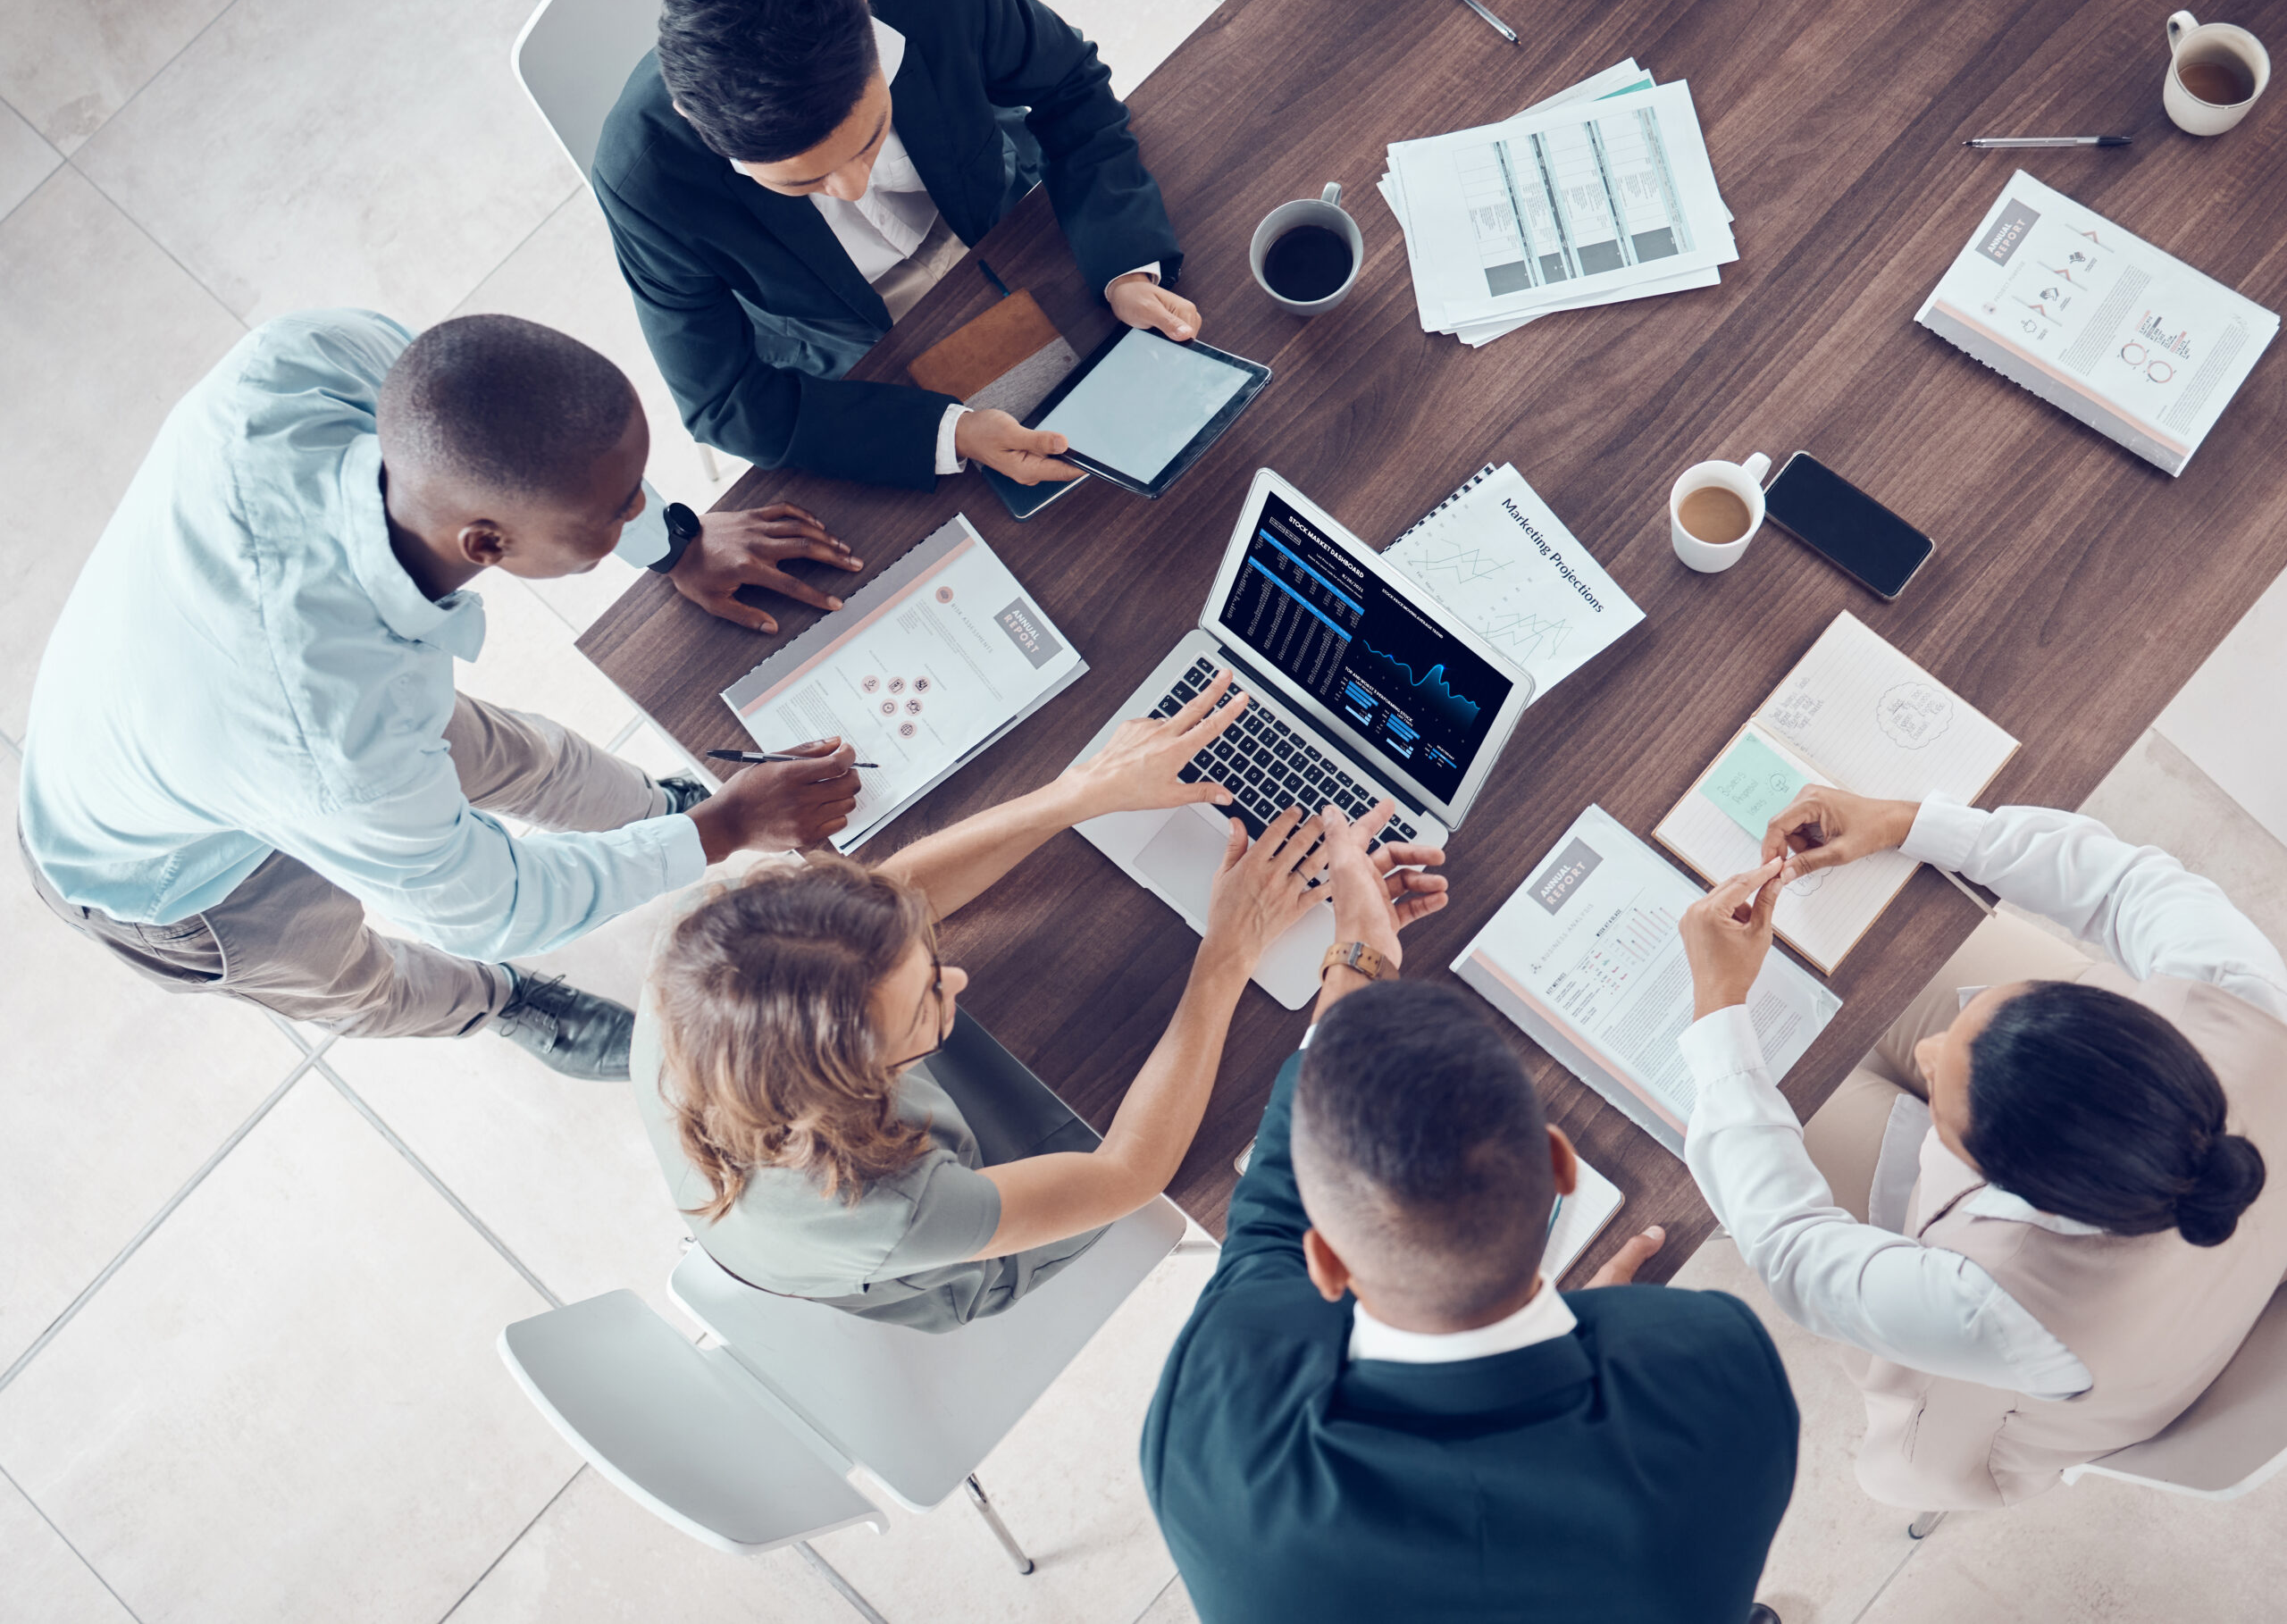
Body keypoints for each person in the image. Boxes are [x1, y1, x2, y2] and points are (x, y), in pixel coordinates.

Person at [18, 308, 868, 1078]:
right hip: (167, 872)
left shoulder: (309, 357)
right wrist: (726, 829)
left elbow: (499, 429)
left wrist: (674, 545)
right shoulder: (345, 741)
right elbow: (492, 907)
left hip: (231, 710)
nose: (640, 508)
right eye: (616, 512)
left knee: (523, 758)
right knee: (354, 981)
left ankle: (655, 811)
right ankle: (500, 1004)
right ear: (487, 542)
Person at [1141, 806, 1799, 1624]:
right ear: (1559, 1166)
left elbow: (1266, 1224)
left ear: (1329, 1264)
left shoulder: (1215, 1440)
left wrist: (1360, 957)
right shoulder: (1710, 1363)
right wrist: (1605, 1325)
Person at [633, 671, 1326, 1330]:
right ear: (861, 1082)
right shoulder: (898, 1208)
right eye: (927, 999)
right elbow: (1129, 1173)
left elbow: (890, 898)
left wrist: (1080, 792)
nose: (957, 977)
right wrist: (1230, 950)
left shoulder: (700, 944)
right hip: (935, 1250)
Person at [1677, 784, 2287, 1510]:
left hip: (2023, 1388)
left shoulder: (1995, 1304)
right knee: (1894, 951)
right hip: (2180, 1268)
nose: (1931, 1050)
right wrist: (1908, 821)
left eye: (1939, 1096)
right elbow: (2127, 884)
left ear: (2001, 1186)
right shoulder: (2243, 999)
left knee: (1747, 1090)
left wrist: (1719, 1004)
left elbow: (1792, 1247)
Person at [593, 0, 1200, 494]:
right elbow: (723, 401)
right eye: (804, 181)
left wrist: (1125, 262)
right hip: (859, 349)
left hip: (1010, 231)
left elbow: (1069, 87)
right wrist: (950, 434)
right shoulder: (642, 176)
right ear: (698, 123)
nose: (853, 188)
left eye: (869, 137)